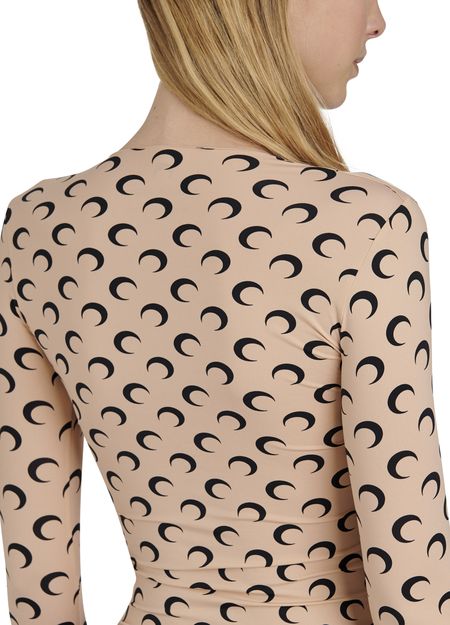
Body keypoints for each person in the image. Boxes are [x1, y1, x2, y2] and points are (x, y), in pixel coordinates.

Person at [1, 1, 449, 624]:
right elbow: (409, 558)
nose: (378, 20)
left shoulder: (39, 229)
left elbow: (38, 578)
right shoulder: (365, 225)